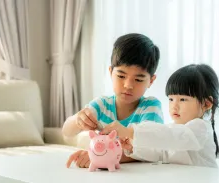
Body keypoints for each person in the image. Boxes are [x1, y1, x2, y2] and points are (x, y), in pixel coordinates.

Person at [64, 33, 164, 168]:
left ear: (151, 81)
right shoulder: (102, 105)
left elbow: (151, 150)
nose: (128, 85)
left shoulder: (151, 107)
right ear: (111, 72)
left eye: (139, 79)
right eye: (121, 76)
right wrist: (78, 120)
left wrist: (102, 156)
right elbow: (66, 132)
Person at [101, 64, 219, 168]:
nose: (174, 106)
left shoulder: (200, 128)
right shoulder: (173, 129)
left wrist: (131, 132)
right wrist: (134, 148)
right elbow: (159, 153)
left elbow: (172, 136)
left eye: (183, 99)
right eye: (171, 99)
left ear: (206, 103)